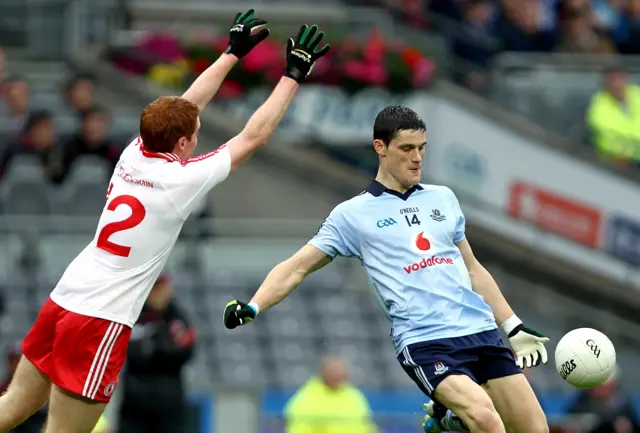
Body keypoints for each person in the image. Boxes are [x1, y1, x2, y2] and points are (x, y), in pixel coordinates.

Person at [0, 10, 330, 433]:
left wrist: (231, 53)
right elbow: (252, 137)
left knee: (11, 407)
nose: (196, 132)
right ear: (182, 142)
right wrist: (293, 76)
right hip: (99, 319)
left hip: (64, 298)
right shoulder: (181, 180)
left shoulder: (132, 153)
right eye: (192, 132)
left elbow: (186, 106)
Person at [224, 105, 550, 433]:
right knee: (486, 420)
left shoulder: (443, 198)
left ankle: (449, 421)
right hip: (426, 341)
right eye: (407, 149)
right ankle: (456, 418)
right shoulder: (352, 215)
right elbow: (297, 267)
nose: (417, 158)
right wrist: (254, 305)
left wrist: (513, 327)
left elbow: (474, 270)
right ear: (380, 148)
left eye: (422, 148)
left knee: (535, 429)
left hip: (480, 331)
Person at [119, 274, 197, 433]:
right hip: (134, 404)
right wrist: (158, 346)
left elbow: (185, 351)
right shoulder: (134, 314)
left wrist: (153, 347)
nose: (159, 293)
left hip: (168, 404)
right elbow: (129, 350)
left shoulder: (177, 317)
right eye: (155, 288)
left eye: (163, 288)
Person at [284, 356, 377, 433]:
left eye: (340, 370)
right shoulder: (305, 399)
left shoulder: (355, 396)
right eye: (333, 370)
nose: (338, 374)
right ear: (322, 372)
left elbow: (367, 426)